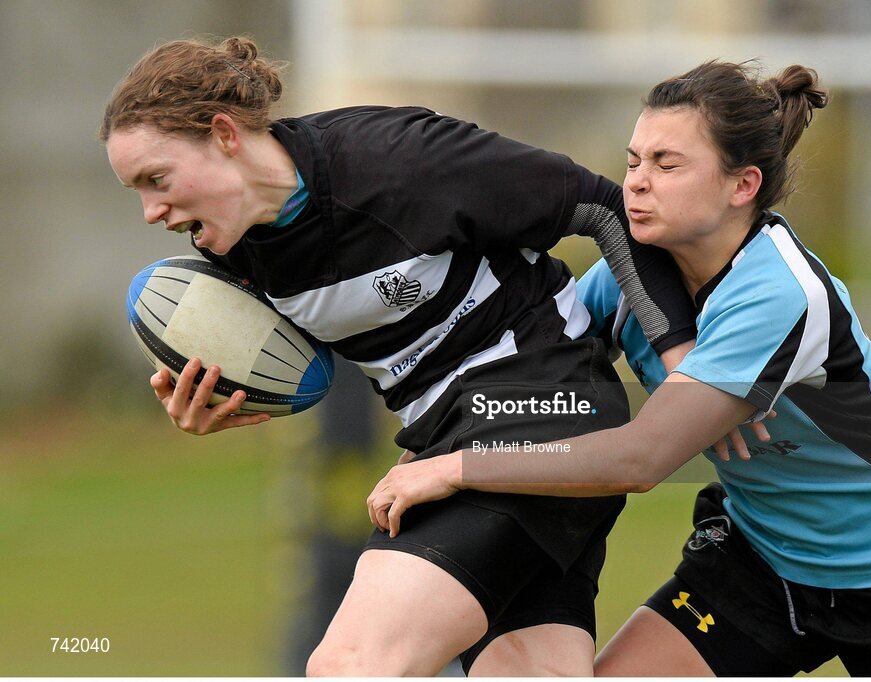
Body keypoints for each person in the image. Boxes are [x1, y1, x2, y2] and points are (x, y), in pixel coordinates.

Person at [367, 61, 871, 676]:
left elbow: (639, 461)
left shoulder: (778, 292)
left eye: (666, 163)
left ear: (743, 185)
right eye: (633, 162)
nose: (637, 182)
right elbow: (524, 379)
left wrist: (456, 467)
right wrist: (435, 443)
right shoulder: (628, 277)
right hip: (759, 563)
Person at [100, 36, 722, 677]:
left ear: (225, 134)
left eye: (157, 179)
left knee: (351, 666)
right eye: (136, 191)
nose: (152, 211)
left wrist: (686, 369)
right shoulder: (234, 250)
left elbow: (606, 209)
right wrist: (224, 401)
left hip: (538, 403)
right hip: (446, 437)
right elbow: (312, 358)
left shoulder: (397, 159)